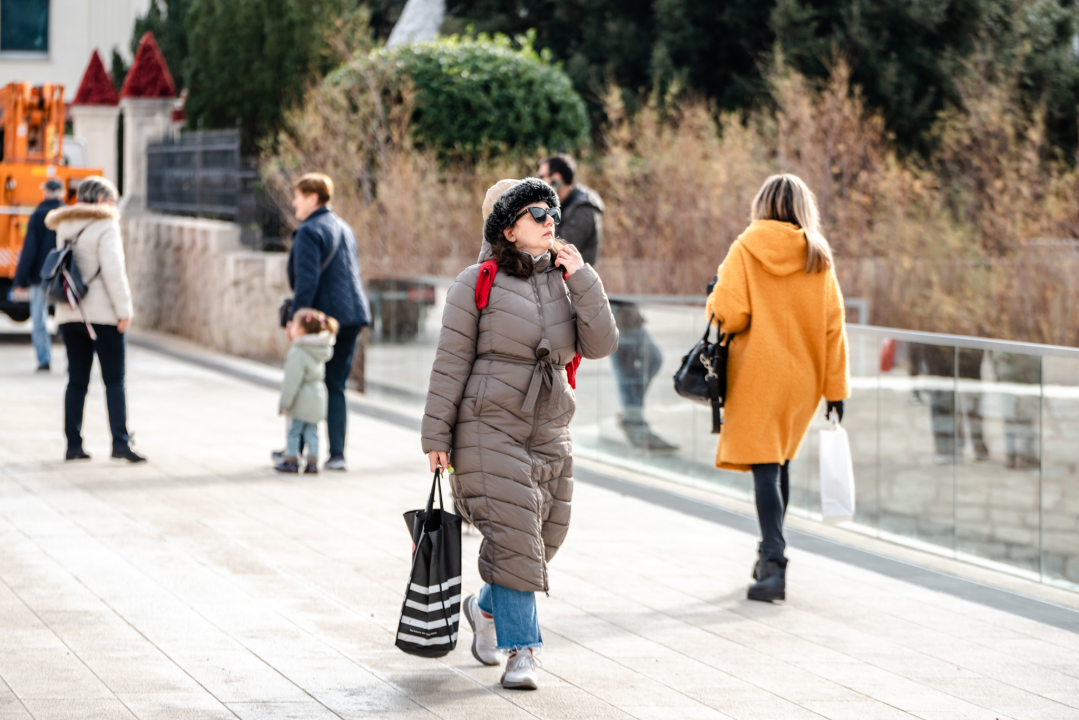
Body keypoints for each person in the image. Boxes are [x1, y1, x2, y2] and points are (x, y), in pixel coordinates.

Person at [421, 178, 618, 690]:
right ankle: (522, 651)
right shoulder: (475, 282)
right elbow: (450, 363)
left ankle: (484, 608)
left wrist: (584, 279)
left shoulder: (565, 277)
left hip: (550, 425)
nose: (550, 218)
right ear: (508, 228)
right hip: (488, 427)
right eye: (536, 212)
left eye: (553, 210)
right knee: (515, 536)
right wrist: (436, 436)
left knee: (545, 537)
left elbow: (601, 345)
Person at [705, 174, 849, 603]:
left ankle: (774, 561)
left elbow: (730, 315)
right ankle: (769, 553)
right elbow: (833, 328)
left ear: (762, 204)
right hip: (802, 380)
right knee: (779, 461)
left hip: (757, 373)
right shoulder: (818, 256)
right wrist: (835, 390)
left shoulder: (746, 248)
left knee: (766, 466)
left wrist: (714, 295)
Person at [538, 155, 675, 451]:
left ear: (558, 180)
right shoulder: (570, 207)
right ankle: (633, 420)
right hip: (588, 296)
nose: (540, 183)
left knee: (644, 358)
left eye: (544, 177)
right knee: (630, 359)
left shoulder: (582, 210)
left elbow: (554, 248)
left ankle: (632, 417)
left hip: (595, 296)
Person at [45, 176, 145, 463]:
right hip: (102, 315)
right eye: (112, 200)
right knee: (114, 380)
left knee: (76, 379)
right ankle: (120, 442)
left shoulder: (64, 225)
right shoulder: (106, 225)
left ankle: (73, 445)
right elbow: (114, 270)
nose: (114, 206)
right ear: (101, 200)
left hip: (69, 312)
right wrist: (124, 310)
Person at [282, 173, 370, 471]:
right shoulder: (344, 227)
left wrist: (297, 322)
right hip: (353, 316)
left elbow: (306, 283)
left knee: (309, 381)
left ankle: (296, 450)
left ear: (313, 198)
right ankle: (336, 454)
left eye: (298, 196)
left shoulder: (309, 231)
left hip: (322, 321)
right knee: (336, 385)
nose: (294, 202)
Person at [275, 308, 338, 474]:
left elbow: (292, 381)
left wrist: (284, 403)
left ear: (301, 330)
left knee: (294, 430)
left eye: (293, 325)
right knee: (312, 431)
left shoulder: (298, 351)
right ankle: (312, 462)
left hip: (301, 398)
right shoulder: (320, 350)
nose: (290, 328)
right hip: (318, 395)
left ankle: (291, 460)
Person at [11, 179, 65, 371]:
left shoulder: (39, 215)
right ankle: (72, 361)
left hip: (40, 277)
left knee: (39, 318)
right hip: (63, 276)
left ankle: (44, 360)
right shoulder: (67, 215)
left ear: (47, 193)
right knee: (66, 318)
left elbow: (29, 251)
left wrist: (20, 280)